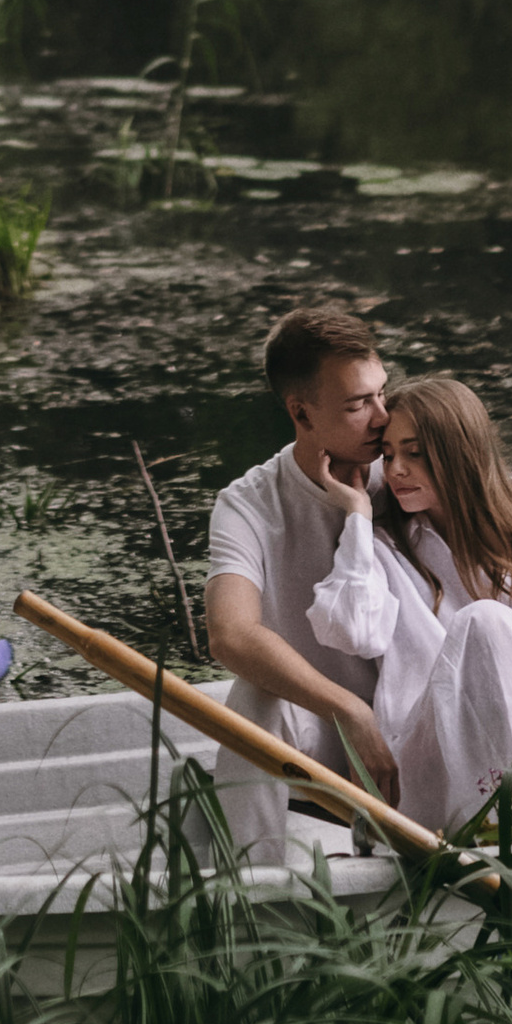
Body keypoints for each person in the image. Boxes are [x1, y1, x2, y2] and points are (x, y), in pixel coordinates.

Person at [307, 374, 512, 834]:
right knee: (487, 621)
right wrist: (357, 515)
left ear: (460, 454)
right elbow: (351, 631)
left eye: (414, 454)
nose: (395, 471)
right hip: (421, 774)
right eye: (390, 455)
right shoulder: (384, 549)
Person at [204, 303, 400, 861]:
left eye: (382, 392)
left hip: (421, 714)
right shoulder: (249, 503)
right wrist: (349, 711)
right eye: (359, 404)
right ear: (302, 413)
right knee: (255, 699)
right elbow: (231, 635)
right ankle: (252, 890)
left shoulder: (410, 467)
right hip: (327, 737)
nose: (384, 416)